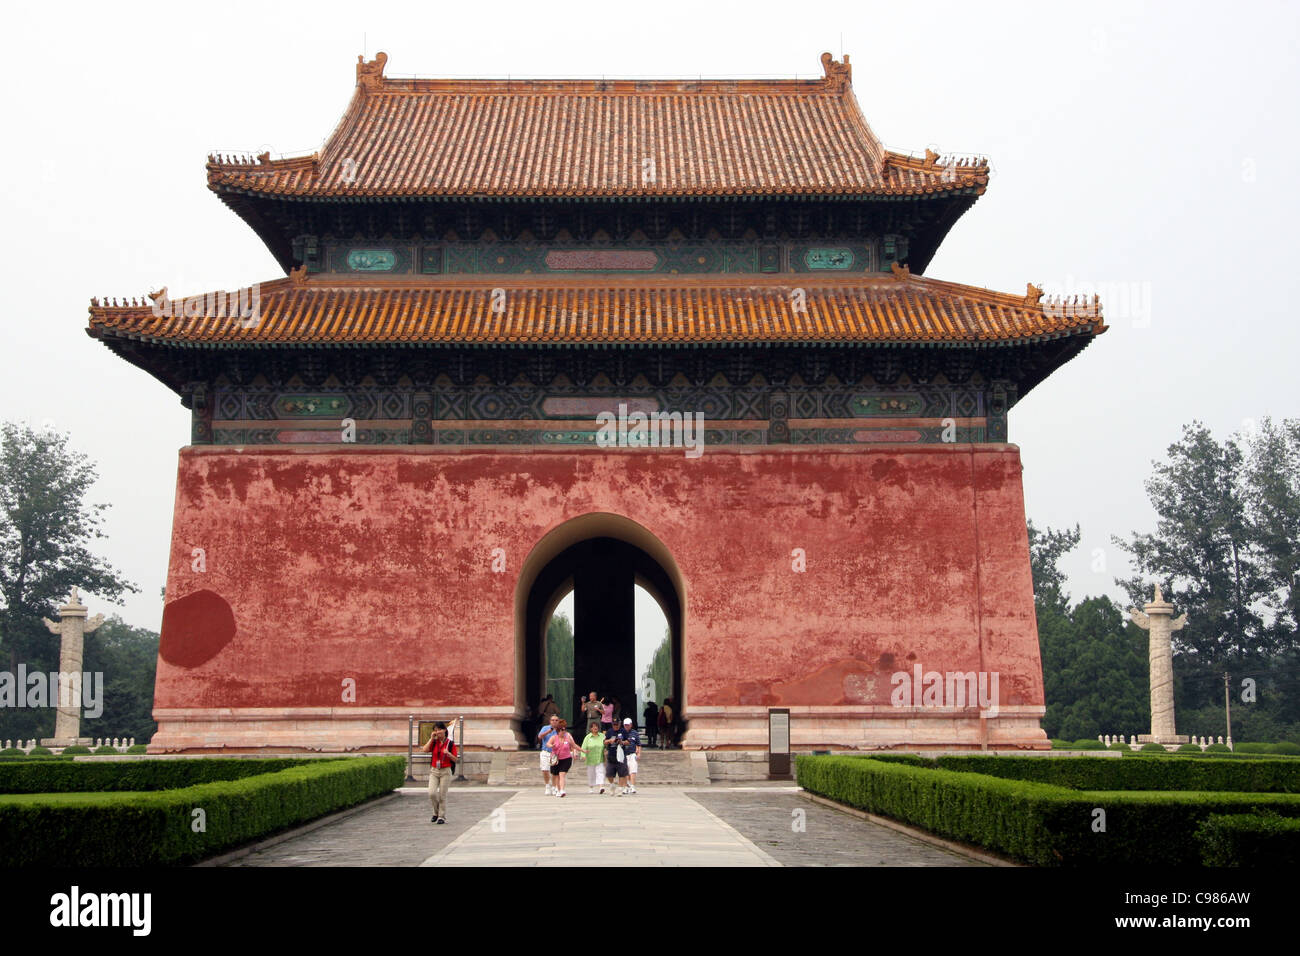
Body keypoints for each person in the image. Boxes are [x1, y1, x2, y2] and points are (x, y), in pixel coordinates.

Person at [420, 721, 458, 825]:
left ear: (445, 730)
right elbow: (425, 749)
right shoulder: (434, 742)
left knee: (442, 795)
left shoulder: (450, 743)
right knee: (431, 793)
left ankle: (442, 816)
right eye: (436, 730)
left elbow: (455, 759)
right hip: (434, 770)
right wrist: (431, 738)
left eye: (440, 729)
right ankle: (436, 812)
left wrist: (448, 754)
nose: (438, 732)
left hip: (445, 770)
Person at [546, 719, 579, 797]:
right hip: (556, 758)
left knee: (562, 775)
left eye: (565, 728)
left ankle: (562, 790)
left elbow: (573, 745)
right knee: (557, 775)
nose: (564, 730)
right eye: (562, 729)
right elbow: (548, 744)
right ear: (559, 730)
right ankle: (558, 789)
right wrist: (551, 746)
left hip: (566, 758)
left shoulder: (568, 736)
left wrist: (578, 751)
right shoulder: (554, 737)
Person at [603, 721, 630, 796]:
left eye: (617, 725)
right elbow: (604, 741)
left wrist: (622, 742)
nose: (616, 726)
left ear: (619, 724)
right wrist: (610, 741)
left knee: (622, 773)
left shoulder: (623, 731)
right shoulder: (609, 731)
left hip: (621, 755)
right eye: (614, 725)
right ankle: (612, 785)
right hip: (611, 755)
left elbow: (628, 741)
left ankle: (620, 789)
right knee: (609, 773)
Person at [581, 721, 606, 793]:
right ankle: (591, 787)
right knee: (591, 773)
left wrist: (606, 751)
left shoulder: (602, 736)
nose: (595, 728)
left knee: (600, 772)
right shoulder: (588, 737)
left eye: (596, 726)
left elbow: (606, 745)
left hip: (599, 757)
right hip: (590, 758)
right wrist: (583, 755)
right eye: (593, 726)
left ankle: (601, 786)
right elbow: (583, 747)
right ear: (590, 728)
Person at [537, 714, 560, 794]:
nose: (554, 722)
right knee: (545, 769)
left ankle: (554, 787)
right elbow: (540, 736)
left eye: (556, 720)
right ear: (550, 721)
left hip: (555, 753)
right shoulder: (545, 728)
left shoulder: (560, 729)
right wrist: (548, 731)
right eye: (553, 720)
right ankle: (547, 785)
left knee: (554, 771)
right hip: (545, 751)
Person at [620, 717, 642, 793]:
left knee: (633, 770)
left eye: (628, 725)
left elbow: (638, 744)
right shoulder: (621, 733)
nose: (626, 726)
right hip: (624, 755)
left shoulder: (634, 733)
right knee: (625, 772)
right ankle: (626, 786)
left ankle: (632, 786)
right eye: (625, 725)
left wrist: (639, 753)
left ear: (631, 725)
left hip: (632, 754)